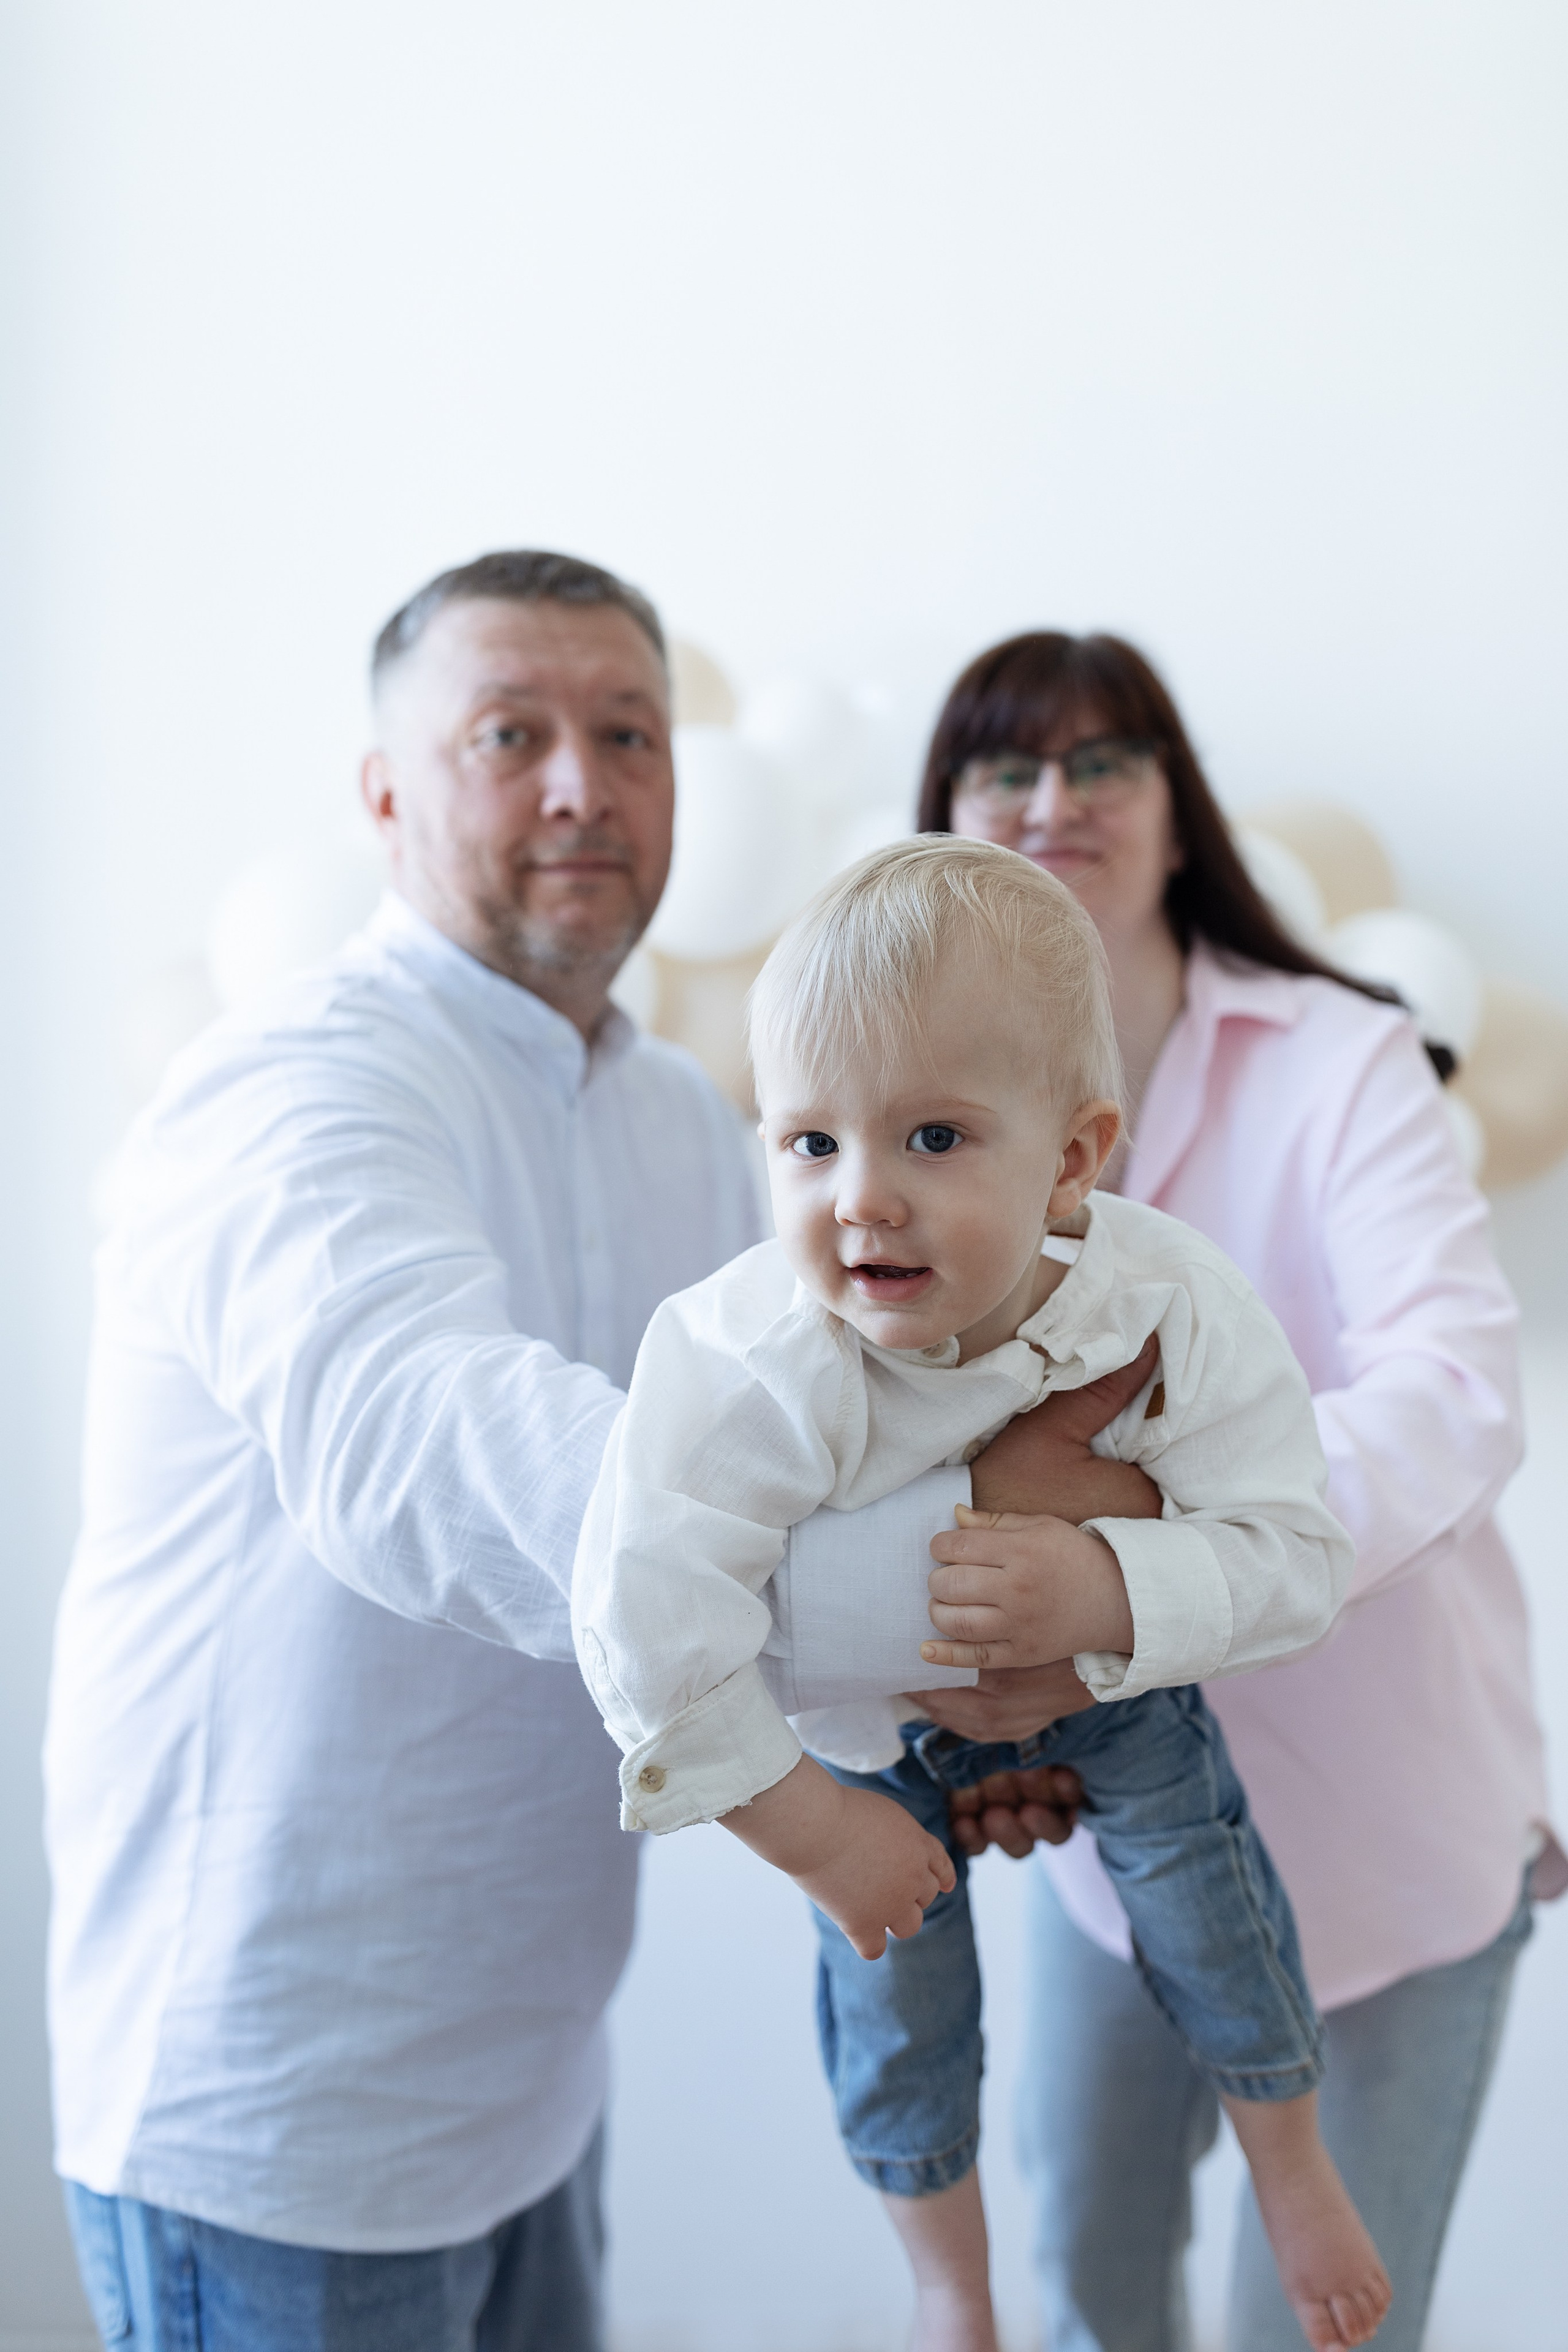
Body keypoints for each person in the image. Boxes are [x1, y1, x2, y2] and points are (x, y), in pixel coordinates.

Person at [43, 552, 1103, 2352]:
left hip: (532, 2071)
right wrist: (947, 1623)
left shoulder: (687, 1121)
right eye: (509, 733)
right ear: (384, 796)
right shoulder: (289, 1089)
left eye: (630, 733)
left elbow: (818, 1468)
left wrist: (929, 1740)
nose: (580, 785)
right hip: (278, 2114)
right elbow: (432, 1447)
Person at [572, 837, 1391, 2352]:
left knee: (1204, 1885)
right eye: (806, 1144)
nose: (859, 1201)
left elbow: (1296, 1557)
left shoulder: (1165, 1304)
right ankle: (947, 2279)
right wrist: (812, 1832)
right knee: (892, 2002)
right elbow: (646, 1610)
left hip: (1103, 1696)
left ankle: (1285, 2157)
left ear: (1073, 1157)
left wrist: (1095, 1586)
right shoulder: (749, 1353)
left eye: (932, 1139)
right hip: (865, 1749)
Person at [899, 631, 1562, 2352]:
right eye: (1007, 770)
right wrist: (984, 1726)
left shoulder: (1344, 1060)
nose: (1056, 803)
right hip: (1114, 1856)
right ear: (948, 826)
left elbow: (1451, 1392)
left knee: (1322, 2333)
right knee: (1088, 2293)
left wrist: (1137, 1579)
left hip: (1395, 1856)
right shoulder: (918, 1122)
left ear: (1177, 815)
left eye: (1105, 762)